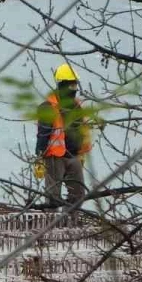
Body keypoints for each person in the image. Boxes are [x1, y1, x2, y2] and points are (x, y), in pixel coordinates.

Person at [33, 63, 93, 209]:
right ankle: (50, 226)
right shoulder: (48, 107)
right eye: (71, 85)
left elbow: (82, 130)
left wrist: (82, 153)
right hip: (55, 157)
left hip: (74, 156)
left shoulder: (77, 106)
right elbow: (43, 133)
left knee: (78, 194)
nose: (74, 89)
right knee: (53, 196)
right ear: (62, 84)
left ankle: (71, 224)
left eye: (75, 85)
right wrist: (40, 156)